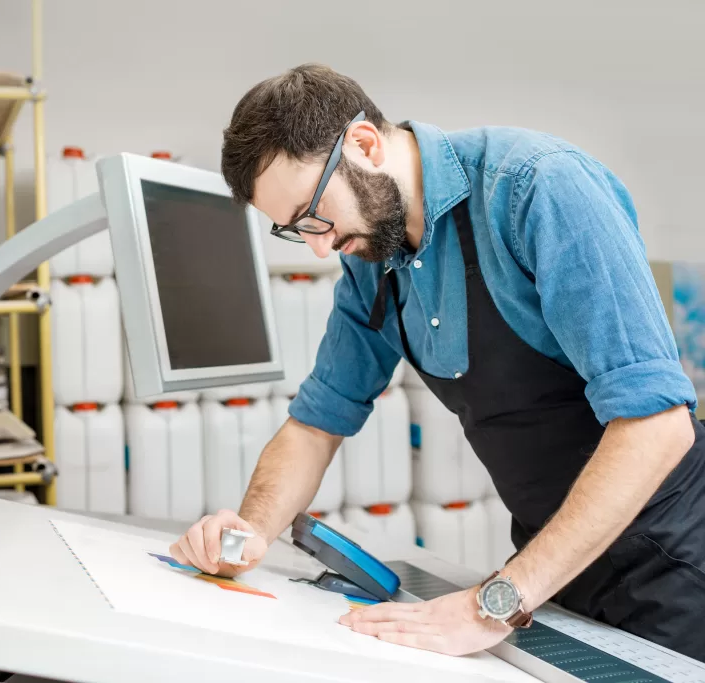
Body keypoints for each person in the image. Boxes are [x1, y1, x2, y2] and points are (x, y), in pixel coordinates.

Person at [170, 63, 705, 662]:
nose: (318, 245)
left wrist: (495, 602)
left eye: (314, 216)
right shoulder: (373, 255)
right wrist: (247, 535)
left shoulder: (538, 189)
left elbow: (658, 426)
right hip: (554, 562)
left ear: (364, 145)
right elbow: (315, 424)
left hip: (677, 561)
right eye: (295, 231)